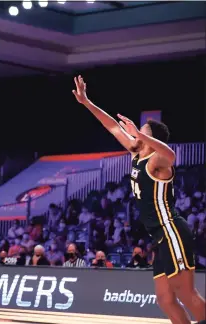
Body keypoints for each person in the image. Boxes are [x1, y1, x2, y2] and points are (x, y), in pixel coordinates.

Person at [73, 75, 206, 324]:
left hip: (171, 230)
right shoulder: (137, 153)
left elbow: (171, 154)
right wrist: (86, 102)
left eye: (140, 132)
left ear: (150, 139)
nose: (134, 135)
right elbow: (112, 125)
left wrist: (141, 135)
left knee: (186, 293)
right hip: (158, 236)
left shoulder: (158, 160)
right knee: (165, 300)